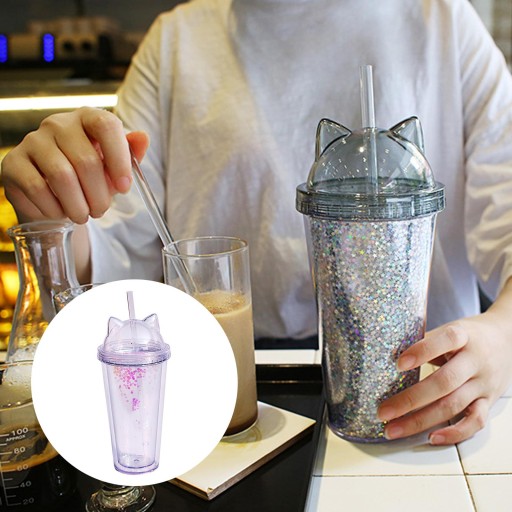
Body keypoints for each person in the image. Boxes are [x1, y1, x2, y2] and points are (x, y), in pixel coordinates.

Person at [3, 0, 512, 446]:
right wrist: (53, 214)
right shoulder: (177, 41)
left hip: (428, 396)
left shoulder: (443, 21)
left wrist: (502, 333)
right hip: (222, 389)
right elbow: (110, 269)